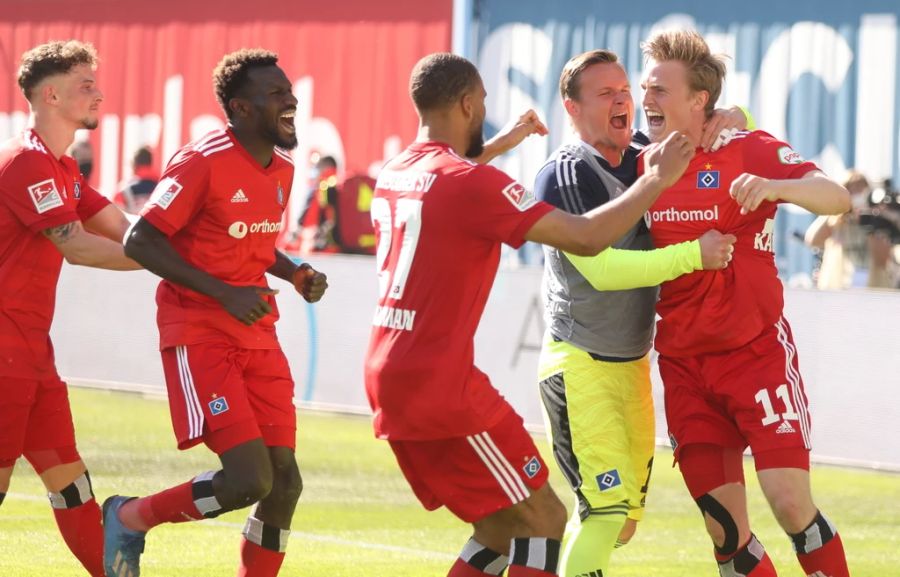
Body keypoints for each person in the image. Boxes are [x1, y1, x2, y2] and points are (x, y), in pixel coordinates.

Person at [363, 52, 695, 577]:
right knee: (546, 517)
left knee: (500, 528)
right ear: (470, 104)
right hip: (443, 384)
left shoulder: (397, 170)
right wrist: (656, 183)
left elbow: (451, 181)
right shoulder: (494, 181)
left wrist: (498, 146)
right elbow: (586, 240)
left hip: (389, 372)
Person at [103, 49, 328, 577]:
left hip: (258, 334)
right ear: (241, 109)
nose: (290, 99)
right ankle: (130, 517)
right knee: (250, 480)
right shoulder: (201, 160)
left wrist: (294, 271)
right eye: (275, 93)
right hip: (200, 331)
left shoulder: (284, 169)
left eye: (288, 89)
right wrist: (225, 293)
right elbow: (141, 240)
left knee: (285, 483)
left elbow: (250, 240)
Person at [639, 30, 851, 577]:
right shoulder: (641, 170)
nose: (647, 99)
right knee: (726, 532)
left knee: (789, 504)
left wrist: (776, 187)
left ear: (697, 101)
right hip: (685, 367)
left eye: (661, 89)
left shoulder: (747, 148)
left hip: (755, 354)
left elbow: (837, 197)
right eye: (646, 87)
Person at [533, 48, 746, 577]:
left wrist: (731, 118)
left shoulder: (644, 157)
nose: (623, 100)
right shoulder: (563, 174)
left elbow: (734, 129)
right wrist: (694, 255)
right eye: (605, 93)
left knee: (622, 521)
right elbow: (601, 270)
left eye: (624, 89)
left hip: (631, 366)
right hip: (579, 365)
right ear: (572, 107)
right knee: (604, 512)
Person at [0, 40, 140, 577]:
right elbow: (78, 246)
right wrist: (175, 268)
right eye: (86, 85)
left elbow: (126, 228)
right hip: (5, 350)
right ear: (51, 94)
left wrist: (190, 248)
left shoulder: (61, 169)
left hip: (32, 353)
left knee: (71, 481)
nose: (99, 93)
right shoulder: (25, 162)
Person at [116, 145, 159, 214]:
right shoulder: (162, 185)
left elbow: (117, 215)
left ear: (134, 164)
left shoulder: (123, 188)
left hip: (133, 223)